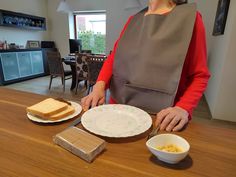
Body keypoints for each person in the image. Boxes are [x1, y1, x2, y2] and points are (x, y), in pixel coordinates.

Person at [81, 0, 210, 132]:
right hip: (119, 111)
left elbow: (200, 75)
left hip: (163, 119)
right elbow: (114, 58)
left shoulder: (190, 19)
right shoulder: (133, 20)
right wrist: (99, 86)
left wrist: (183, 108)